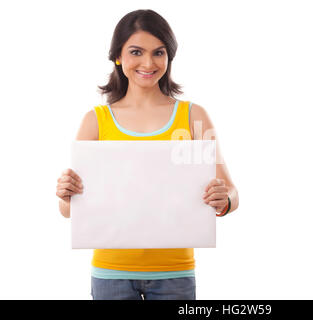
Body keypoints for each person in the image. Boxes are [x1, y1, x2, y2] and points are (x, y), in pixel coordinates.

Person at [55, 9, 239, 300]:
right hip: (110, 273)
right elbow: (70, 211)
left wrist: (225, 200)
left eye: (159, 52)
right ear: (118, 56)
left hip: (175, 272)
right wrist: (66, 197)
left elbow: (231, 192)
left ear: (169, 57)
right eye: (136, 52)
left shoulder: (194, 116)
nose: (148, 63)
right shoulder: (96, 120)